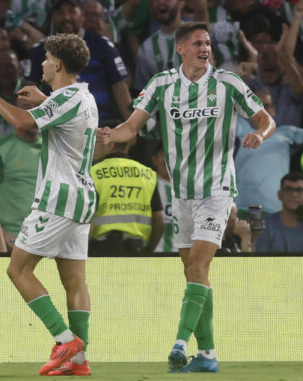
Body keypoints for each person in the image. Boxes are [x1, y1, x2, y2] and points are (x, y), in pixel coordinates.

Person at [96, 22, 275, 372]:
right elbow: (130, 128)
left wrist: (260, 134)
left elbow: (265, 118)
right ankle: (207, 354)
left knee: (198, 264)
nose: (204, 48)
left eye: (207, 43)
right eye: (197, 43)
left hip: (217, 189)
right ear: (180, 49)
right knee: (195, 272)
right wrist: (108, 136)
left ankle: (180, 342)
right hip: (181, 194)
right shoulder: (162, 85)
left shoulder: (227, 82)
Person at [0, 32, 97, 376]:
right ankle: (79, 362)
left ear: (57, 63)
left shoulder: (68, 97)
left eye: (45, 58)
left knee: (18, 269)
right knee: (75, 281)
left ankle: (65, 340)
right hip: (82, 197)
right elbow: (57, 115)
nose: (40, 63)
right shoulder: (83, 97)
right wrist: (44, 98)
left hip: (58, 198)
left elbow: (23, 122)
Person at [26, 0, 131, 122]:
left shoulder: (103, 46)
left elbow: (120, 87)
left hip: (102, 124)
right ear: (53, 17)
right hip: (58, 127)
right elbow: (29, 89)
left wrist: (130, 128)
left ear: (82, 16)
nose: (66, 17)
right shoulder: (40, 51)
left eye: (72, 11)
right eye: (60, 12)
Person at [234, 88, 303, 217]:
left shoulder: (286, 132)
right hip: (242, 205)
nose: (262, 110)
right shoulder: (239, 127)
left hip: (272, 207)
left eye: (266, 106)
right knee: (244, 236)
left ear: (273, 110)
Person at [0, 98, 42, 252]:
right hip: (1, 240)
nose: (32, 114)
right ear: (14, 113)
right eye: (26, 108)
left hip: (41, 239)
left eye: (38, 108)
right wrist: (1, 233)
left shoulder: (53, 149)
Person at [89, 140, 164, 254]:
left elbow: (87, 216)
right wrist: (148, 251)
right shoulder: (148, 174)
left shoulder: (92, 173)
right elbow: (158, 219)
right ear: (128, 144)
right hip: (136, 249)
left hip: (100, 250)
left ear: (109, 145)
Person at [255, 172, 303, 252]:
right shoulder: (265, 225)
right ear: (280, 194)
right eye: (288, 189)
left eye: (299, 190)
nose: (294, 194)